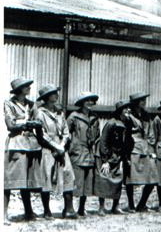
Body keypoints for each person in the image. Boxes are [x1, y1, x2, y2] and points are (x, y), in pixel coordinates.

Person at [4, 77, 44, 222]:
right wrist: (27, 123)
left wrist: (25, 123)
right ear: (19, 89)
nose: (29, 88)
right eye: (26, 86)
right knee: (9, 180)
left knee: (26, 179)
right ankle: (3, 214)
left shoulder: (31, 104)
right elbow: (11, 125)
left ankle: (28, 211)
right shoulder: (9, 104)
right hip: (16, 144)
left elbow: (39, 122)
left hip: (31, 145)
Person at [35, 85, 77, 219]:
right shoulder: (40, 113)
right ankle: (47, 211)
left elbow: (66, 131)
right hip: (48, 149)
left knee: (68, 174)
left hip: (61, 148)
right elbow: (41, 134)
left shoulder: (60, 112)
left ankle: (68, 209)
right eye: (53, 93)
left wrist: (62, 144)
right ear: (47, 97)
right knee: (47, 176)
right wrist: (55, 146)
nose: (56, 95)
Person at [67, 91, 100, 216]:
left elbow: (97, 135)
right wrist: (71, 147)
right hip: (77, 153)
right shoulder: (74, 116)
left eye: (92, 100)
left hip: (89, 153)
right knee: (75, 181)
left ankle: (82, 208)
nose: (90, 103)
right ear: (82, 102)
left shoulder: (94, 117)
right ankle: (69, 208)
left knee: (87, 182)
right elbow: (65, 132)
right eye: (87, 100)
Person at [124, 92, 158, 213]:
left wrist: (152, 149)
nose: (144, 102)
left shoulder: (146, 115)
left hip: (146, 148)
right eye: (142, 100)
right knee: (130, 179)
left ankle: (142, 204)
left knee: (153, 178)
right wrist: (126, 153)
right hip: (133, 148)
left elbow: (151, 133)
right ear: (136, 102)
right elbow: (126, 134)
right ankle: (131, 205)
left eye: (145, 100)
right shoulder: (128, 116)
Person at [95, 100, 130, 215]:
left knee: (118, 180)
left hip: (118, 156)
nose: (128, 110)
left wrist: (124, 157)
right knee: (104, 179)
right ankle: (101, 207)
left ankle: (115, 207)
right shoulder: (111, 123)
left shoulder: (126, 123)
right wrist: (105, 161)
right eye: (125, 108)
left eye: (128, 108)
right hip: (107, 155)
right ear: (120, 111)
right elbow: (103, 142)